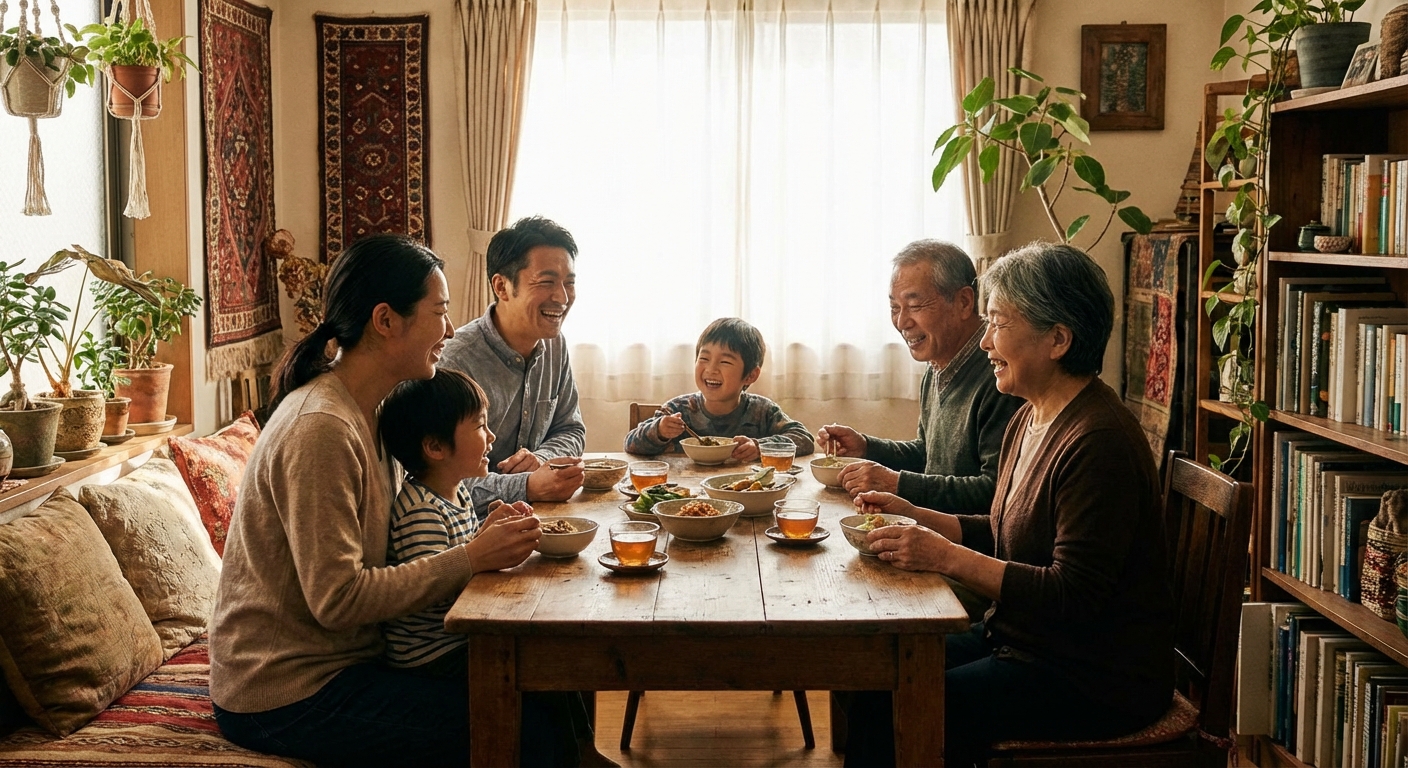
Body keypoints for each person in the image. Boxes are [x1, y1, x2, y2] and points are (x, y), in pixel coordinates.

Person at [208, 234, 576, 768]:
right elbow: (337, 600)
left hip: (350, 662)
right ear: (386, 320)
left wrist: (478, 535)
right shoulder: (322, 428)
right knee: (525, 724)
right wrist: (471, 557)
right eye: (439, 312)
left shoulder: (374, 410)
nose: (449, 330)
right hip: (288, 689)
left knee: (549, 673)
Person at [841, 242, 1174, 767]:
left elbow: (1072, 595)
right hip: (1022, 642)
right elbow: (1003, 527)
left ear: (1058, 339)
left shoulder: (1099, 441)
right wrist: (916, 516)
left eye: (998, 323)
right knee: (872, 674)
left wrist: (944, 555)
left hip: (1090, 675)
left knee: (896, 706)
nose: (985, 341)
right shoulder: (1030, 415)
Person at [817, 240, 1020, 513]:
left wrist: (897, 484)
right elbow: (927, 454)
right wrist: (866, 447)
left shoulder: (1001, 374)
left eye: (914, 305)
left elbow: (994, 491)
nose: (902, 322)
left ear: (963, 302)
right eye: (894, 308)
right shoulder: (937, 363)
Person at [440, 216, 586, 508]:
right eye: (546, 282)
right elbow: (439, 480)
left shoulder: (555, 345)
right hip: (475, 526)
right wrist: (527, 485)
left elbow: (571, 429)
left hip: (538, 514)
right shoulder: (455, 361)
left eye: (569, 283)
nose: (562, 297)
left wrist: (542, 459)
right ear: (502, 287)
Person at [623, 317, 815, 461]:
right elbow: (630, 443)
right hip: (686, 492)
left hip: (744, 492)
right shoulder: (678, 410)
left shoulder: (762, 411)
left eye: (725, 362)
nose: (711, 369)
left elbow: (803, 438)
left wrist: (760, 446)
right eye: (704, 358)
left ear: (750, 375)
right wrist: (659, 430)